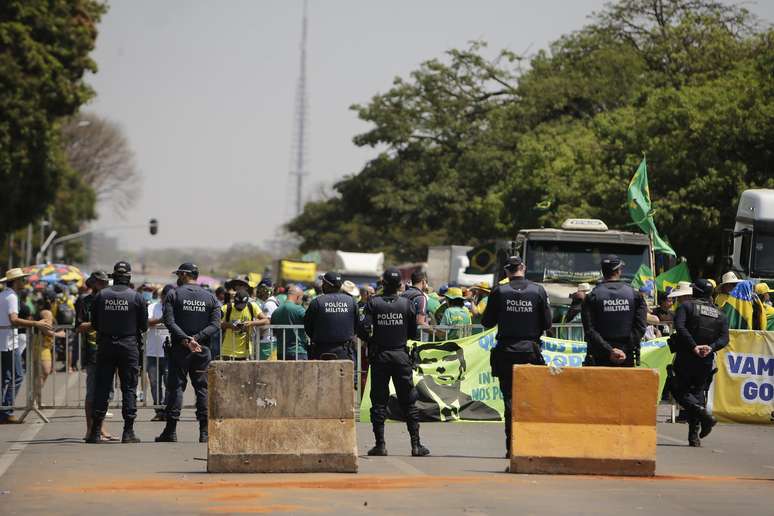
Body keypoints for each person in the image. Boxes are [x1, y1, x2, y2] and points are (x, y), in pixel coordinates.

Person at [481, 256, 552, 456]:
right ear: (523, 267)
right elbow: (547, 323)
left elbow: (487, 321)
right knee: (531, 400)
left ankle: (510, 446)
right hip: (530, 350)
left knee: (509, 400)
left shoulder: (499, 291)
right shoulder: (538, 290)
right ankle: (528, 445)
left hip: (507, 350)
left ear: (507, 271)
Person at [358, 267, 429, 457]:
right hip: (400, 356)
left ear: (383, 284)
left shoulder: (374, 303)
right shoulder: (407, 304)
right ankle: (416, 445)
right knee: (409, 401)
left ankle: (380, 445)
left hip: (380, 356)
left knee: (379, 402)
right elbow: (413, 333)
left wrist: (372, 339)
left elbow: (363, 328)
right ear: (399, 285)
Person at [156, 263, 220, 444]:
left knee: (176, 387)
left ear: (184, 275)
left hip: (180, 349)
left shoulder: (174, 294)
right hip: (201, 350)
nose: (177, 277)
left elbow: (169, 321)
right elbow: (214, 325)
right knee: (202, 388)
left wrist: (186, 339)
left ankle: (170, 431)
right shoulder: (210, 297)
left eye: (178, 274)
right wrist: (196, 339)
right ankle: (204, 433)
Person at [87, 262, 148, 443]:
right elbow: (143, 326)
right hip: (128, 346)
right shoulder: (137, 297)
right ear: (129, 277)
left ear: (113, 277)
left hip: (106, 345)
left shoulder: (101, 296)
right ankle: (128, 432)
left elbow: (95, 324)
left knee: (102, 388)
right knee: (129, 388)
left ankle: (95, 432)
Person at [670, 279, 729, 447]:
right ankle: (694, 437)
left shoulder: (686, 307)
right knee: (697, 394)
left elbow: (680, 328)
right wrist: (710, 348)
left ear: (695, 292)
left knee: (677, 390)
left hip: (686, 357)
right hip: (706, 360)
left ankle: (704, 416)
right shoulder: (720, 314)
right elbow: (724, 339)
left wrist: (694, 346)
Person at [388, 341, 501, 422]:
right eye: (431, 361)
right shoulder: (396, 404)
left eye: (449, 360)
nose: (441, 368)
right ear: (418, 369)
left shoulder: (482, 409)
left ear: (462, 368)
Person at [0, 268, 51, 424]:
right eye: (22, 280)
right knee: (17, 376)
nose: (24, 282)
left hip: (5, 341)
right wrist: (35, 323)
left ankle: (4, 410)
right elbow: (14, 320)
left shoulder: (3, 295)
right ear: (15, 282)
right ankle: (6, 411)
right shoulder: (11, 297)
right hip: (8, 342)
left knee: (7, 378)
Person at [582, 255, 647, 367]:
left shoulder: (592, 296)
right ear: (619, 271)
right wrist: (624, 350)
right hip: (626, 356)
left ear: (603, 272)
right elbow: (640, 327)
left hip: (600, 356)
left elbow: (589, 330)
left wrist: (609, 350)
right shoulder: (634, 295)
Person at [75, 271, 116, 440]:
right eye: (102, 282)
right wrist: (98, 323)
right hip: (93, 351)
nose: (105, 285)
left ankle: (101, 427)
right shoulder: (84, 301)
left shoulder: (110, 299)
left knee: (108, 393)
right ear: (94, 283)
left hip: (111, 350)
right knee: (92, 392)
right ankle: (90, 429)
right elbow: (78, 326)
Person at [304, 272, 358, 361]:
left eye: (323, 283)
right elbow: (356, 325)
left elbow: (308, 326)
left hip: (321, 350)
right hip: (345, 352)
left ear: (327, 284)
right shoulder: (351, 302)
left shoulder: (317, 302)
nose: (322, 286)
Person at [146, 284, 174, 421]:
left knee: (170, 383)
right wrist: (161, 320)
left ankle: (167, 409)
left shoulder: (176, 308)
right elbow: (146, 322)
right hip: (153, 352)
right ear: (162, 296)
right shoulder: (152, 307)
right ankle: (159, 410)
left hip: (170, 353)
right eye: (165, 296)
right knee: (154, 383)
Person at [220, 288, 268, 360]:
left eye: (242, 306)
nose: (240, 308)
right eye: (238, 305)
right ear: (234, 301)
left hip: (246, 351)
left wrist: (251, 323)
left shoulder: (252, 306)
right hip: (228, 351)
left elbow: (266, 320)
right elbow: (215, 322)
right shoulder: (227, 308)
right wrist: (230, 325)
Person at [271, 285, 308, 360]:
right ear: (298, 296)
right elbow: (309, 324)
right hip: (298, 351)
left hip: (281, 352)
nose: (301, 301)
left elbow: (274, 332)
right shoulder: (299, 309)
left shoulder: (276, 311)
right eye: (301, 298)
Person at [256, 279, 280, 360]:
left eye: (260, 290)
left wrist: (258, 336)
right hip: (271, 341)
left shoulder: (268, 304)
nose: (259, 293)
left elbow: (265, 324)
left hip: (266, 342)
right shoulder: (274, 301)